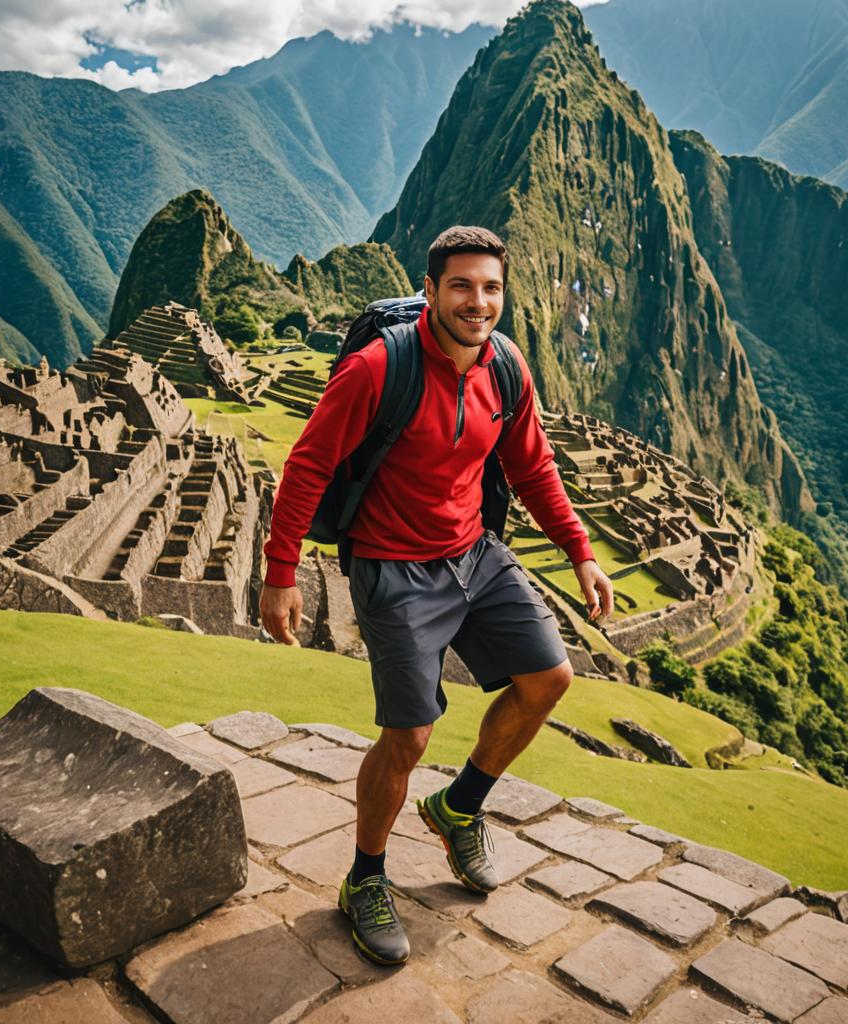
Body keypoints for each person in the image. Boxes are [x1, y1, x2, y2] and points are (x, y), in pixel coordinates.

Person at [259, 225, 614, 965]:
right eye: (461, 286)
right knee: (409, 736)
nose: (476, 301)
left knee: (549, 678)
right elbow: (308, 468)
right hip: (393, 568)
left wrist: (580, 553)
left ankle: (459, 807)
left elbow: (533, 466)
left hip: (474, 552)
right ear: (430, 291)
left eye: (490, 288)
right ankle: (365, 879)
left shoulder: (506, 368)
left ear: (503, 295)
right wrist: (280, 574)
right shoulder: (375, 369)